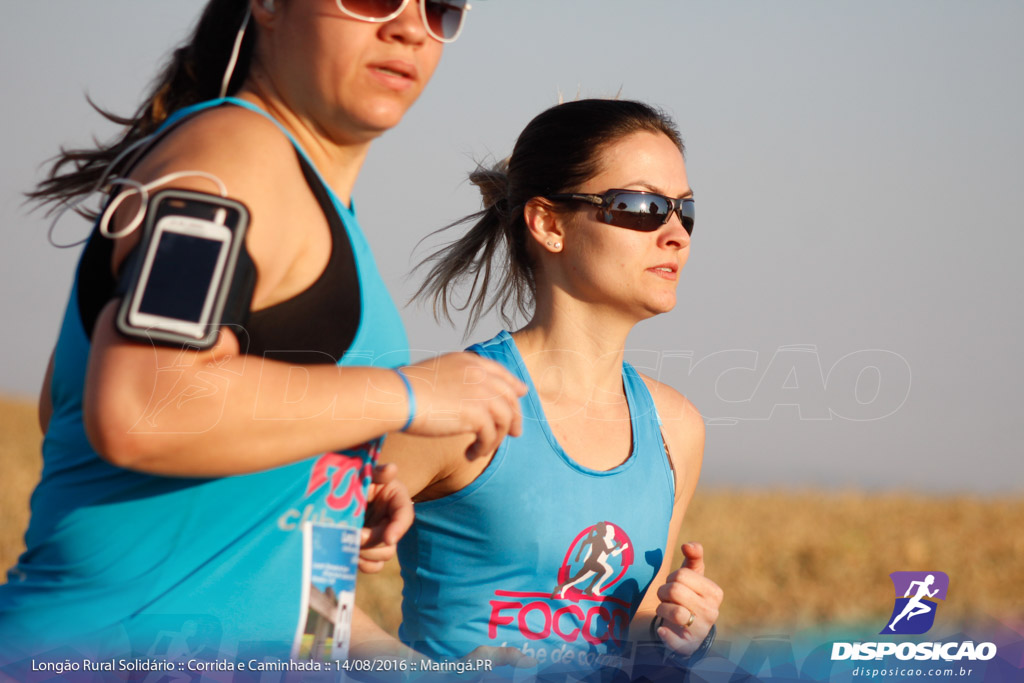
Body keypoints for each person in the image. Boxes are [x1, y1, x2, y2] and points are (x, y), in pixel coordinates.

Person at [0, 0, 527, 667]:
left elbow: (65, 410)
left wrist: (299, 478)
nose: (408, 26)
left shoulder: (306, 192)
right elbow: (135, 404)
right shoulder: (232, 157)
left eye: (439, 8)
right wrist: (407, 394)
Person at [380, 99, 724, 675]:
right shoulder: (454, 403)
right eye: (641, 206)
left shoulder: (676, 429)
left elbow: (631, 629)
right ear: (548, 224)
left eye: (684, 211)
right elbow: (297, 589)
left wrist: (678, 633)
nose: (675, 234)